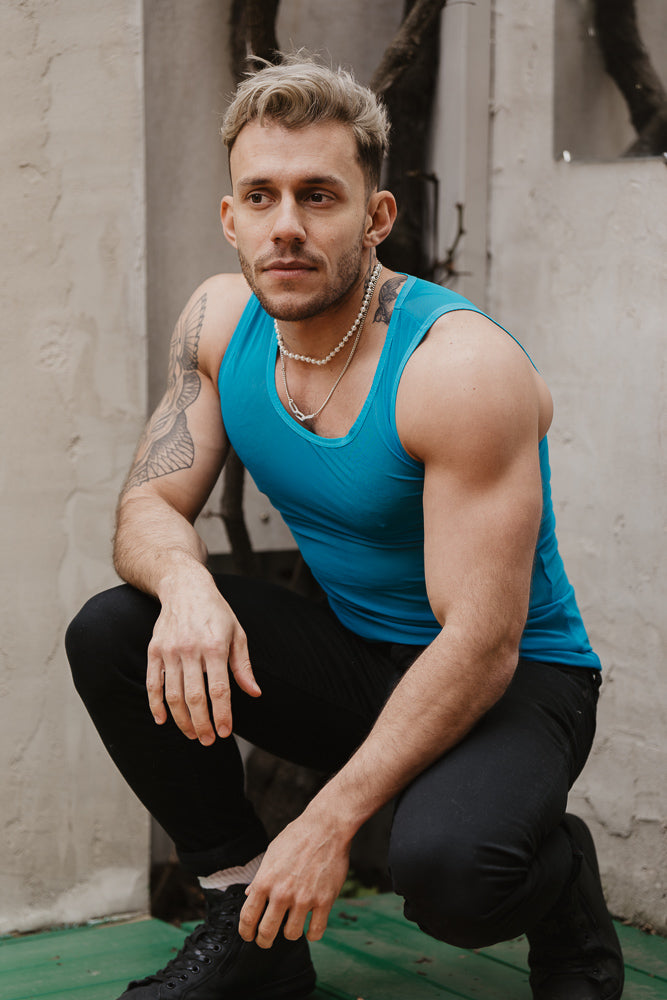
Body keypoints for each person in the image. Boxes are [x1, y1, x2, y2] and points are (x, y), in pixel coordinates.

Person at [66, 55, 624, 1000]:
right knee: (117, 629)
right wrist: (187, 587)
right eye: (261, 196)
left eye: (318, 196)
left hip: (513, 674)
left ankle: (561, 884)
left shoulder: (457, 368)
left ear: (376, 217)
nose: (285, 225)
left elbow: (481, 644)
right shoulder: (218, 321)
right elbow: (148, 506)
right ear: (230, 218)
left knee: (450, 875)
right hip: (359, 653)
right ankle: (251, 934)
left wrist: (323, 824)